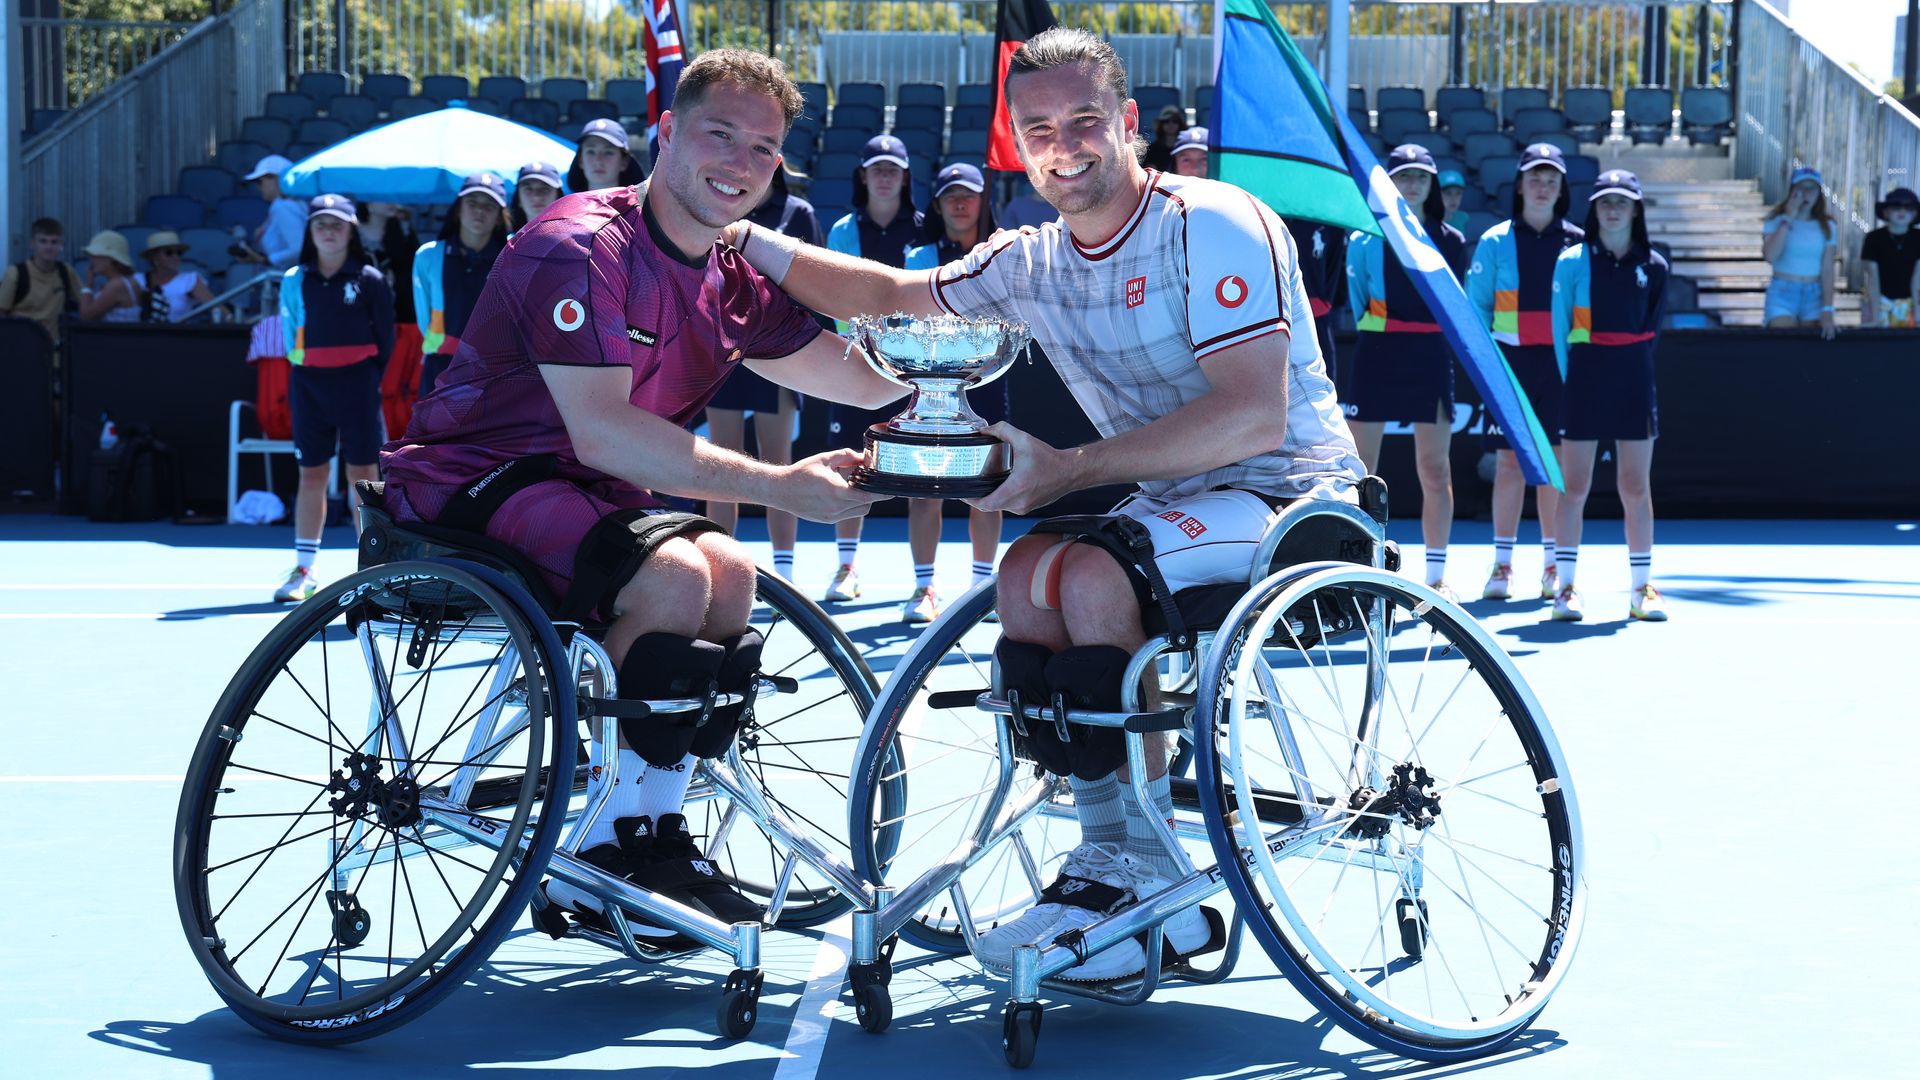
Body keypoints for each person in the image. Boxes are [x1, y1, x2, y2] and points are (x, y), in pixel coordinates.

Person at [728, 27, 1364, 981]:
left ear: (1130, 124)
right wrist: (743, 242)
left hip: (1296, 498)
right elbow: (896, 292)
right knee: (1026, 573)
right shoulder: (1030, 260)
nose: (1063, 146)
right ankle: (1118, 861)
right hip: (1175, 506)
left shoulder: (1214, 221)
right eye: (1038, 131)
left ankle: (1144, 876)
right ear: (1016, 146)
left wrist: (1070, 468)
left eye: (1083, 121)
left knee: (1097, 567)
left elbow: (1251, 416)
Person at [379, 49, 899, 934]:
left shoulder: (734, 277)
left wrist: (969, 399)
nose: (740, 163)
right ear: (665, 133)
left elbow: (854, 376)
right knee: (674, 580)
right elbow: (606, 432)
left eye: (765, 149)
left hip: (589, 492)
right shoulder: (577, 245)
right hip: (470, 478)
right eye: (719, 134)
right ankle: (596, 849)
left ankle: (645, 826)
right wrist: (781, 484)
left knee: (729, 571)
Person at [821, 133, 938, 619]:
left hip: (918, 374)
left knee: (925, 478)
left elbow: (930, 306)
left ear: (905, 176)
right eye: (877, 168)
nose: (885, 176)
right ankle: (846, 568)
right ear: (864, 176)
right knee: (855, 468)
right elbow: (838, 309)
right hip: (858, 368)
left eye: (894, 168)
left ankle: (925, 587)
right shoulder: (842, 231)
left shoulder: (925, 232)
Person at [1344, 144, 1469, 596]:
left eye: (1420, 176)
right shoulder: (1363, 238)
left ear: (1432, 185)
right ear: (1388, 185)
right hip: (1377, 356)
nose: (1412, 184)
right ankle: (1356, 572)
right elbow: (1359, 301)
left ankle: (1437, 578)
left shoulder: (1452, 242)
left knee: (1435, 470)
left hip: (1430, 360)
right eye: (1403, 176)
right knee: (1360, 472)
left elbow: (1458, 308)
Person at [1466, 144, 1585, 604]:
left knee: (1554, 467)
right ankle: (1503, 564)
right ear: (1520, 185)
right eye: (1535, 177)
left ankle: (1554, 565)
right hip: (1509, 368)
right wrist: (1488, 368)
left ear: (1560, 188)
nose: (1542, 185)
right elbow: (1476, 311)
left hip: (1558, 371)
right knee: (1510, 464)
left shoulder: (1577, 242)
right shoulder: (1495, 241)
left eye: (1551, 178)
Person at [1549, 169, 1668, 623]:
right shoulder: (1572, 261)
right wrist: (1577, 379)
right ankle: (1566, 588)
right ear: (1594, 210)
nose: (1613, 210)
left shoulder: (1655, 266)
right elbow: (1561, 331)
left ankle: (1642, 590)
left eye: (1622, 202)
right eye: (1605, 203)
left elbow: (1651, 330)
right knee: (1574, 487)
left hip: (1634, 381)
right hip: (1584, 380)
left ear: (1635, 209)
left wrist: (1627, 367)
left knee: (1636, 488)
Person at [703, 162, 824, 583]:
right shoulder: (718, 207)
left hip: (777, 353)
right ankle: (718, 573)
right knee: (721, 468)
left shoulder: (799, 212)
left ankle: (785, 576)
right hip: (723, 355)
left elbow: (815, 284)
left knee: (779, 465)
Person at [274, 194, 396, 603]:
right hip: (308, 386)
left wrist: (360, 376)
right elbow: (292, 336)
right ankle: (304, 569)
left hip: (358, 385)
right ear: (310, 232)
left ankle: (374, 573)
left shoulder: (369, 279)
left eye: (337, 224)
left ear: (350, 231)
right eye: (321, 224)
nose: (329, 231)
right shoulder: (295, 279)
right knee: (311, 474)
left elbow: (386, 341)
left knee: (362, 476)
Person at [904, 162, 1009, 617]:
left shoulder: (1004, 253)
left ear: (984, 202)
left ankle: (981, 590)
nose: (961, 204)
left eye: (969, 195)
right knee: (923, 489)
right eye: (951, 197)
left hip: (988, 383)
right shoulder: (918, 256)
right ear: (939, 206)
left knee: (989, 489)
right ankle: (924, 588)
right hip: (928, 388)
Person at [413, 172, 510, 396]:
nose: (479, 211)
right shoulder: (428, 256)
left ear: (499, 216)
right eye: (472, 202)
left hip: (494, 371)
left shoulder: (511, 256)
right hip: (440, 368)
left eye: (489, 206)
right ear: (458, 209)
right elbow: (424, 318)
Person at [356, 200, 424, 441]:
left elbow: (414, 273)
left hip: (403, 321)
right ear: (368, 201)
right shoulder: (351, 231)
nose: (394, 199)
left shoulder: (403, 230)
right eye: (385, 195)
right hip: (363, 324)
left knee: (399, 390)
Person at [1762, 165, 1838, 340]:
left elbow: (1827, 270)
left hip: (1814, 292)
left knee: (1808, 347)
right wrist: (1788, 217)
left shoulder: (1828, 226)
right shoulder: (1775, 221)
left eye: (1811, 189)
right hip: (1783, 289)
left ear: (1819, 193)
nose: (1806, 194)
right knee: (1784, 341)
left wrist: (1828, 309)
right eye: (1801, 188)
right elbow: (1770, 255)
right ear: (1792, 191)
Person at [1284, 216, 1346, 387]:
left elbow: (1333, 274)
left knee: (1322, 389)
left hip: (1317, 322)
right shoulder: (1264, 217)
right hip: (1272, 321)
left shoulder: (1330, 224)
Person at [0, 217, 83, 345]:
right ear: (32, 244)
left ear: (61, 245)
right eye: (43, 241)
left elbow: (86, 302)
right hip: (21, 348)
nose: (49, 247)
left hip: (54, 349)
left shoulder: (66, 271)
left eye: (54, 242)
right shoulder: (16, 273)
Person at [237, 154, 309, 271]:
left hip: (286, 281)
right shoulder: (289, 204)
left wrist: (265, 260)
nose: (258, 187)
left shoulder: (283, 207)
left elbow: (298, 249)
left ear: (276, 179)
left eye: (260, 182)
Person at [1860, 187, 1919, 328]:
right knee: (1875, 346)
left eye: (1909, 207)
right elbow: (1872, 279)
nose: (1902, 211)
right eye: (1896, 206)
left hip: (1910, 303)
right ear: (1885, 212)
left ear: (1915, 213)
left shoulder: (1918, 238)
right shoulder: (1873, 238)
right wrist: (1875, 317)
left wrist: (1917, 315)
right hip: (1877, 301)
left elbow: (1918, 279)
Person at [135, 231, 218, 322]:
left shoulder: (190, 280)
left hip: (178, 334)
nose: (176, 256)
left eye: (179, 253)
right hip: (141, 334)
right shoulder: (137, 280)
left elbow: (218, 309)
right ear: (154, 257)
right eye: (169, 252)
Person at [76, 231, 145, 323]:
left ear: (111, 259)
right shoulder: (128, 281)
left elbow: (85, 316)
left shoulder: (116, 286)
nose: (91, 259)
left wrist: (88, 286)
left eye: (96, 255)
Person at [568, 118, 646, 193]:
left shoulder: (643, 206)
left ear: (624, 162)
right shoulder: (564, 205)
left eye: (608, 152)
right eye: (591, 152)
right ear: (581, 161)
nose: (598, 161)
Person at [512, 161, 565, 232]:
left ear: (558, 196)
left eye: (545, 190)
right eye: (528, 190)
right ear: (518, 199)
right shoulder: (509, 241)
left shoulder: (575, 240)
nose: (536, 196)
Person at [1139, 102, 1186, 172]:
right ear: (1161, 125)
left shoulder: (1185, 148)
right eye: (1166, 121)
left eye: (1175, 121)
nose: (1171, 124)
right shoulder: (1152, 150)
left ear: (1180, 125)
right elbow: (1151, 173)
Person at [1438, 169, 1471, 233]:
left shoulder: (1464, 218)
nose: (1453, 199)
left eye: (1458, 193)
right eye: (1448, 193)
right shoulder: (1426, 219)